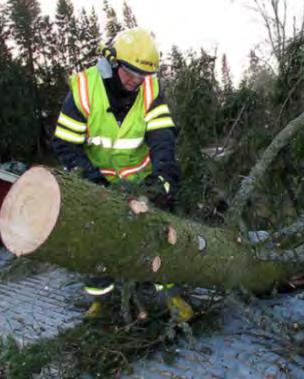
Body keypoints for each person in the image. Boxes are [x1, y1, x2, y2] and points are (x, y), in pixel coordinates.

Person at [52, 27, 192, 322]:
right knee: (94, 242)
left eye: (143, 75)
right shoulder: (83, 90)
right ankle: (100, 301)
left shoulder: (150, 90)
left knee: (159, 234)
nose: (136, 81)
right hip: (95, 179)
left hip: (141, 178)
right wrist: (91, 181)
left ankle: (172, 295)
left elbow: (162, 136)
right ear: (112, 63)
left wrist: (164, 175)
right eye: (130, 72)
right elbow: (65, 144)